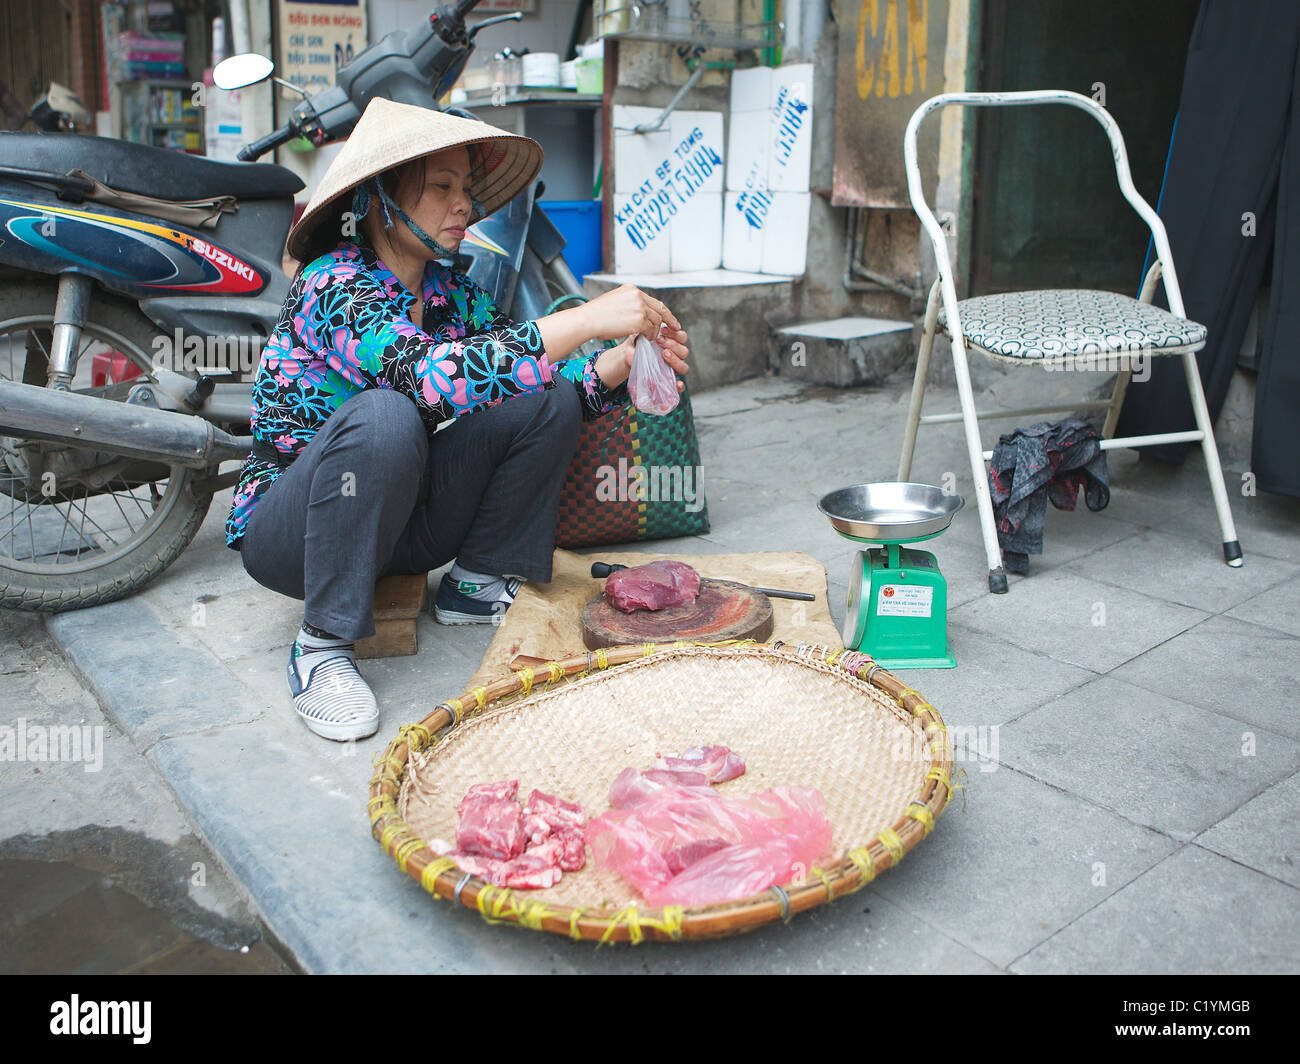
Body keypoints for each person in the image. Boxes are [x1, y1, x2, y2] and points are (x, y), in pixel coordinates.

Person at [224, 98, 690, 742]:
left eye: (465, 188)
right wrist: (584, 318)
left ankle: (473, 584)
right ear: (380, 198)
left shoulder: (455, 297)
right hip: (296, 534)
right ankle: (322, 644)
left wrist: (617, 363)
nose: (463, 204)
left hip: (402, 521)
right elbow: (429, 379)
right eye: (441, 187)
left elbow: (539, 387)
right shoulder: (331, 285)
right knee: (387, 415)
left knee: (539, 393)